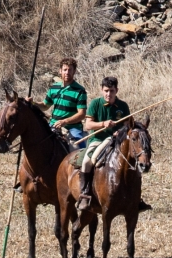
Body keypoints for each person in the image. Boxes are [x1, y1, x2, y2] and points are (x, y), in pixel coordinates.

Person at [79, 77, 152, 213]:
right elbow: (88, 125)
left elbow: (128, 126)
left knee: (135, 163)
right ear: (102, 90)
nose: (108, 94)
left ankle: (137, 198)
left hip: (119, 142)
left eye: (111, 91)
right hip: (98, 139)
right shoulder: (95, 104)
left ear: (116, 90)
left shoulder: (123, 106)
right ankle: (85, 194)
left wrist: (121, 131)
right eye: (106, 91)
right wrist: (103, 124)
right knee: (87, 162)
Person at [33, 57, 88, 148]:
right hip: (53, 124)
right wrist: (33, 103)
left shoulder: (80, 90)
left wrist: (65, 121)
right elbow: (45, 105)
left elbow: (82, 114)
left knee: (79, 148)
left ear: (74, 71)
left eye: (70, 70)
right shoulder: (54, 88)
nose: (67, 72)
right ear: (60, 71)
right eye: (65, 69)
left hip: (73, 128)